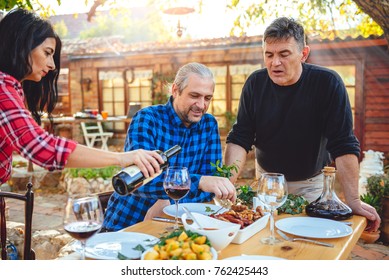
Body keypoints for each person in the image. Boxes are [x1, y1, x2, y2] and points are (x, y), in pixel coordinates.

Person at [224, 17, 381, 232]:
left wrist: (353, 200)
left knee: (306, 244)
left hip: (310, 186)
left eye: (284, 54)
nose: (274, 62)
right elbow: (239, 138)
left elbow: (343, 144)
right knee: (265, 240)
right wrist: (227, 183)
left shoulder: (328, 83)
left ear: (303, 54)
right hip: (266, 184)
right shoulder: (254, 84)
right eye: (268, 55)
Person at [0, 9, 164, 186]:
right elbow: (43, 149)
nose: (52, 64)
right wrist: (121, 158)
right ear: (22, 44)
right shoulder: (2, 88)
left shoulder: (10, 88)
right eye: (47, 53)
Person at [103, 62, 237, 231]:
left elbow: (211, 186)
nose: (202, 105)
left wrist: (168, 201)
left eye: (207, 98)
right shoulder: (147, 119)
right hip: (129, 224)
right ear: (175, 90)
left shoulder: (209, 125)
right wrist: (199, 182)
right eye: (194, 96)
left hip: (179, 227)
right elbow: (138, 182)